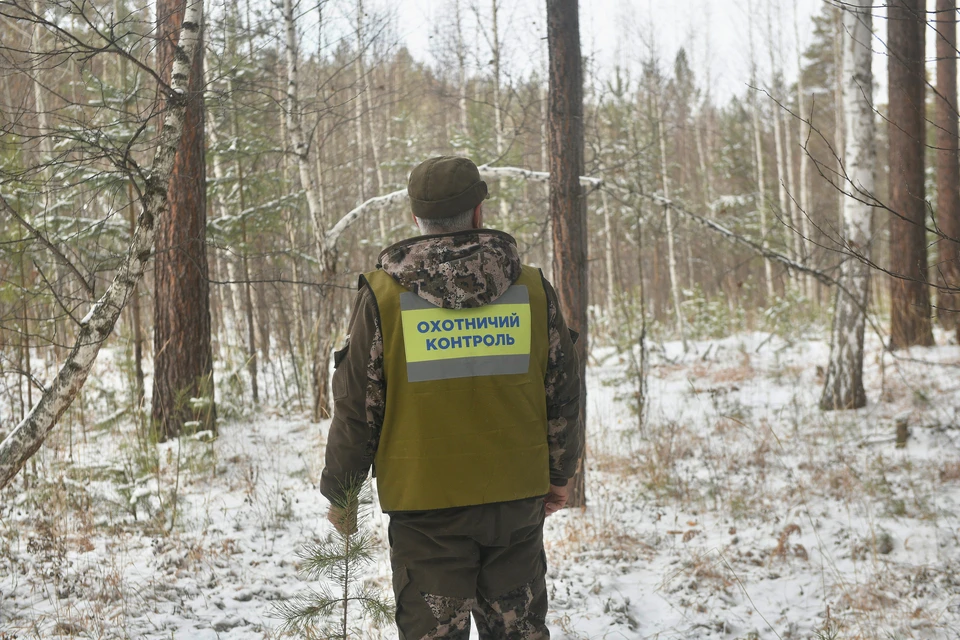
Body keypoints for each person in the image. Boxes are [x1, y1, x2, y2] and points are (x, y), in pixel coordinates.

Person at [320, 155, 582, 639]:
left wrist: (343, 490)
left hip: (425, 508)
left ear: (415, 218)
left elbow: (358, 405)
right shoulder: (532, 290)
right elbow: (562, 392)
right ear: (479, 213)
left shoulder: (384, 298)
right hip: (515, 500)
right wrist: (560, 474)